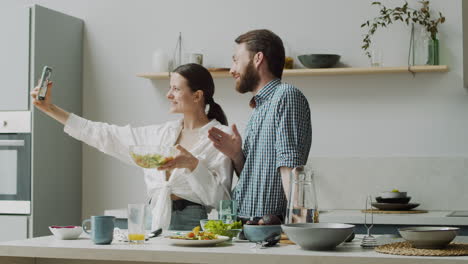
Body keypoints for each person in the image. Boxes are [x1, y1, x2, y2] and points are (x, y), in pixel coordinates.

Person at [31, 63, 233, 230]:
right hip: (152, 220)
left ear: (197, 96)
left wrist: (192, 164)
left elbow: (221, 200)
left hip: (192, 225)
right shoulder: (161, 134)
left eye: (176, 89)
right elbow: (104, 135)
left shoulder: (220, 138)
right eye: (169, 87)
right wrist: (50, 108)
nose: (168, 95)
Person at [208, 29, 312, 222]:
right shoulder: (259, 108)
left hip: (271, 229)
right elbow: (252, 177)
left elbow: (290, 165)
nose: (232, 70)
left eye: (236, 60)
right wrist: (237, 155)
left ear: (257, 59)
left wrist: (299, 226)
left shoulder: (285, 96)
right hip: (250, 225)